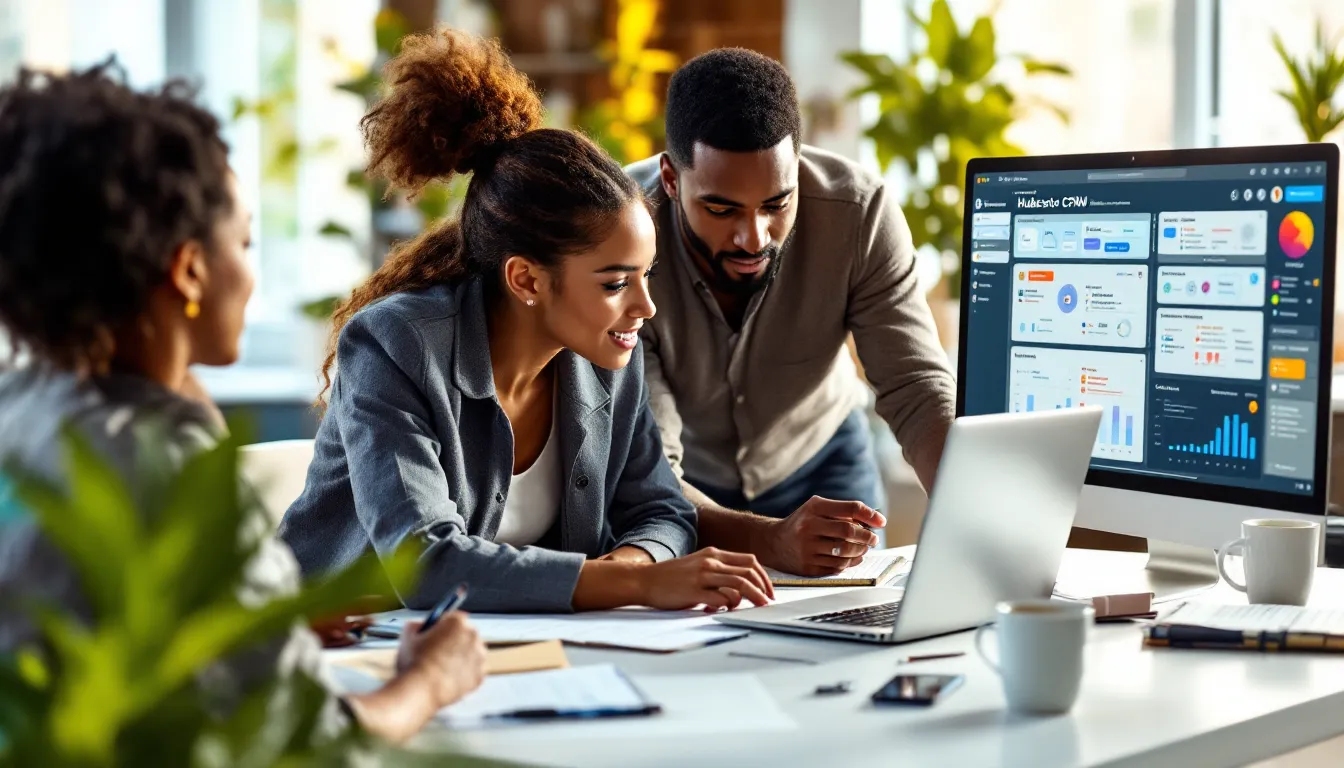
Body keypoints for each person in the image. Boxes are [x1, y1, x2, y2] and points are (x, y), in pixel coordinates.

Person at [0, 62, 487, 745]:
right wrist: (429, 679)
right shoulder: (174, 471)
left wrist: (254, 625)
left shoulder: (22, 408)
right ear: (189, 270)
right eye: (245, 242)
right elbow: (321, 743)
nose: (251, 273)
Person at [277, 28, 774, 614]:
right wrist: (637, 586)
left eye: (647, 275)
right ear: (527, 280)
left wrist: (628, 567)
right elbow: (427, 565)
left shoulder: (608, 353)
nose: (645, 307)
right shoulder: (395, 346)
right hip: (341, 644)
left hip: (508, 645)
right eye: (616, 283)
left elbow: (661, 509)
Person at [625, 48, 957, 577]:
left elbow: (916, 387)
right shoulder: (617, 237)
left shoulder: (860, 213)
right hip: (688, 484)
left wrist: (968, 514)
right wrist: (770, 540)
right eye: (721, 208)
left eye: (777, 204)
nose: (753, 238)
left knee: (851, 616)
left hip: (824, 460)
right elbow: (647, 466)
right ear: (670, 178)